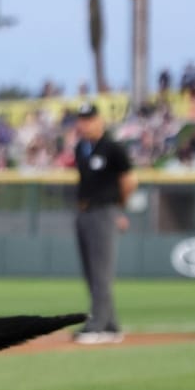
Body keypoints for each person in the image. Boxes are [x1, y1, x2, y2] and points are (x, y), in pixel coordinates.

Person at [70, 103, 135, 344]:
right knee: (90, 270)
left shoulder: (113, 148)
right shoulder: (81, 148)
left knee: (101, 271)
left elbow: (130, 181)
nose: (84, 123)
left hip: (104, 212)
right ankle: (110, 324)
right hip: (84, 212)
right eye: (81, 119)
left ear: (99, 120)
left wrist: (118, 208)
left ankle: (97, 324)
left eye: (89, 119)